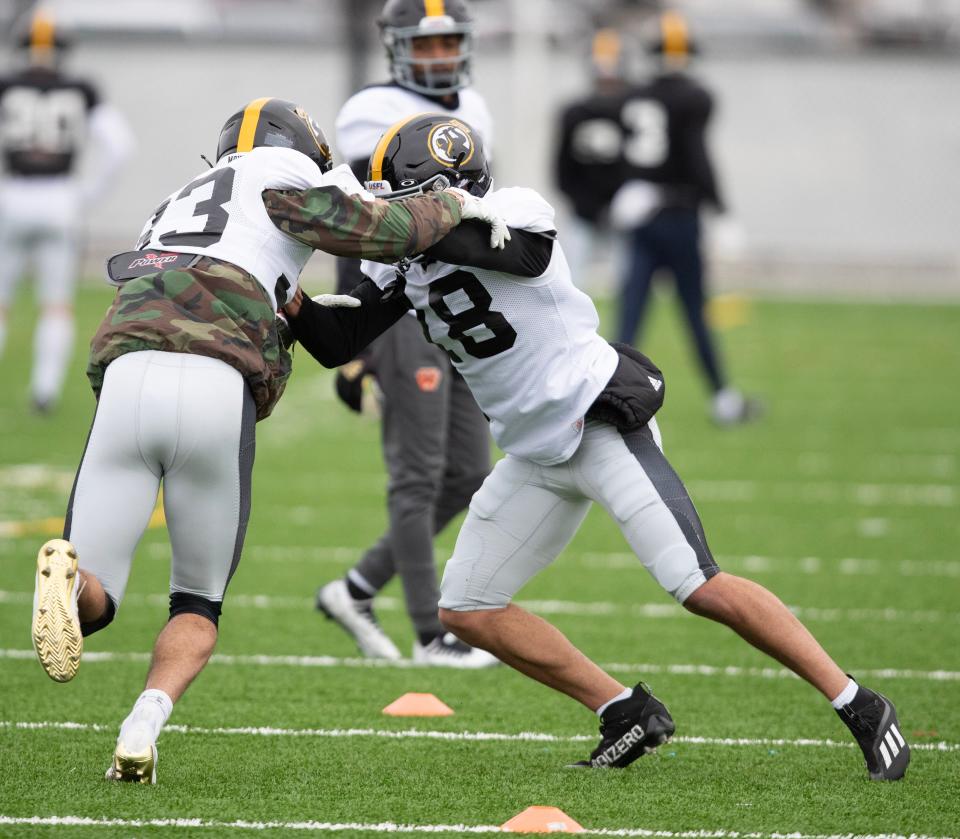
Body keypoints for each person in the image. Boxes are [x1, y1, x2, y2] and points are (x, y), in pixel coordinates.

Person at [302, 111, 909, 781]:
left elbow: (483, 248)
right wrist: (274, 299)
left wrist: (388, 224)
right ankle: (623, 710)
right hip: (535, 453)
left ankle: (859, 702)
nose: (391, 215)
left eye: (401, 197)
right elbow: (339, 340)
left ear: (445, 187)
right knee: (466, 608)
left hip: (599, 424)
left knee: (697, 584)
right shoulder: (412, 262)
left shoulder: (514, 214)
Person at [29, 97, 507, 784]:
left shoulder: (175, 199)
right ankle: (143, 721)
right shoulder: (283, 174)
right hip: (214, 380)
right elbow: (381, 228)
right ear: (303, 147)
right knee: (196, 602)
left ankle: (69, 584)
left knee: (94, 599)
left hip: (127, 372)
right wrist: (453, 204)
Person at [314, 0, 497, 668]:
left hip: (458, 301)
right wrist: (355, 339)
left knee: (470, 472)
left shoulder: (474, 104)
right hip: (398, 300)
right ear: (397, 47)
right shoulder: (370, 108)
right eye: (429, 44)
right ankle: (430, 634)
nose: (443, 55)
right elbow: (352, 219)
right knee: (418, 473)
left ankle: (356, 587)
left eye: (451, 41)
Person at [612, 12, 758, 426]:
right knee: (694, 312)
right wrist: (721, 210)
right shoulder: (694, 96)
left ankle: (603, 395)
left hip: (641, 214)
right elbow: (696, 157)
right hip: (678, 215)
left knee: (631, 313)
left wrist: (624, 189)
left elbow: (624, 153)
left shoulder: (635, 95)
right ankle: (723, 399)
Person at [0, 10, 134, 413]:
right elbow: (120, 146)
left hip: (13, 195)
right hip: (60, 200)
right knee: (56, 302)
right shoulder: (80, 88)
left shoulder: (7, 85)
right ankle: (44, 391)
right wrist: (86, 195)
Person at [553, 28, 630, 294]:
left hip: (624, 208)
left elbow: (637, 163)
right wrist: (581, 203)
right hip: (582, 210)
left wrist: (623, 201)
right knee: (571, 284)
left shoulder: (632, 110)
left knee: (629, 283)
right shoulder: (575, 112)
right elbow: (562, 165)